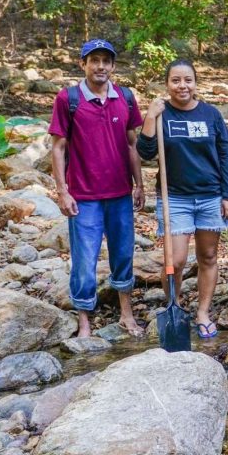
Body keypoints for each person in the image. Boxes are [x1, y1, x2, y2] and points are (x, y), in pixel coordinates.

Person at [49, 39, 144, 338]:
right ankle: (84, 321)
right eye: (94, 60)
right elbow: (58, 147)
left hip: (119, 194)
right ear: (83, 64)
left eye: (106, 60)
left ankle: (126, 313)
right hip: (83, 196)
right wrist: (62, 191)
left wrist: (139, 184)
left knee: (123, 254)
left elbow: (131, 144)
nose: (100, 66)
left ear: (113, 66)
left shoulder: (125, 98)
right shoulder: (69, 99)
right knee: (84, 260)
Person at [136, 59, 228, 339]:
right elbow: (144, 152)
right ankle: (175, 307)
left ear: (195, 83)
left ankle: (203, 312)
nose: (182, 86)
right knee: (175, 260)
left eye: (188, 80)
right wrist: (149, 117)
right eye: (176, 80)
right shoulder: (161, 113)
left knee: (208, 256)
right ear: (167, 84)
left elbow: (225, 154)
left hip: (209, 196)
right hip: (175, 197)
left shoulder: (211, 114)